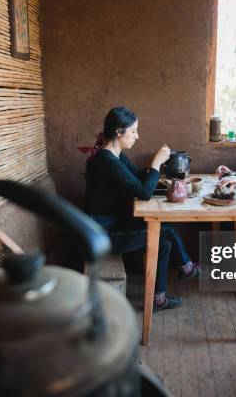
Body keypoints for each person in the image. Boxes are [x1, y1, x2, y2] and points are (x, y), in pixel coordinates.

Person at [83, 106, 198, 312]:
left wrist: (161, 172)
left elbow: (139, 181)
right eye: (133, 131)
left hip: (114, 223)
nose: (137, 136)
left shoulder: (117, 157)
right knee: (166, 230)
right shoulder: (107, 162)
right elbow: (144, 193)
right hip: (103, 233)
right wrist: (155, 164)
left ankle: (160, 298)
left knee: (163, 242)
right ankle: (187, 269)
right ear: (119, 132)